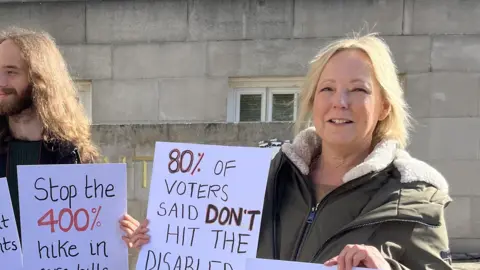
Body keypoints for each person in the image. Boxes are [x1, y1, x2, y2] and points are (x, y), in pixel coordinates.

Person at [127, 33, 453, 270]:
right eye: (327, 88)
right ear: (313, 102)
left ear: (383, 106)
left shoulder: (413, 199)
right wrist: (165, 240)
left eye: (358, 90)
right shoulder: (266, 176)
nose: (340, 101)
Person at [0, 27, 138, 245]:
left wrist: (122, 236)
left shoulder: (76, 158)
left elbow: (92, 244)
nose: (1, 82)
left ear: (39, 79)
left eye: (11, 72)